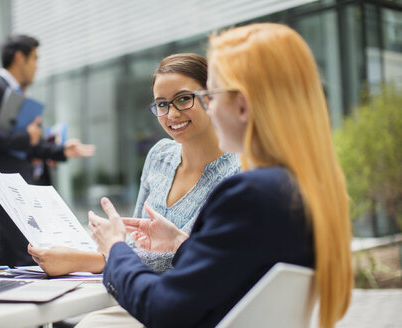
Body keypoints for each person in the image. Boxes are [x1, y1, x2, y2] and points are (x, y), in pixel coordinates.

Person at [86, 23, 353, 328]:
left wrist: (115, 248)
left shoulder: (250, 193)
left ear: (241, 105)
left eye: (210, 96)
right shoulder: (302, 187)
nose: (208, 109)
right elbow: (234, 267)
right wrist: (179, 242)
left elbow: (163, 309)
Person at [28, 53, 240, 275]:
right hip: (134, 288)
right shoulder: (159, 155)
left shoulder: (237, 172)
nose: (172, 114)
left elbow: (188, 255)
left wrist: (87, 260)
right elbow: (134, 241)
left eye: (184, 99)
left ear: (210, 98)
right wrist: (110, 241)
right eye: (161, 104)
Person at [0, 34, 95, 267]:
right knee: (30, 250)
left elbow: (28, 145)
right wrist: (26, 136)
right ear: (20, 58)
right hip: (2, 184)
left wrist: (60, 150)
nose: (37, 66)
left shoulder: (19, 94)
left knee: (7, 253)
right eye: (35, 59)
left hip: (17, 184)